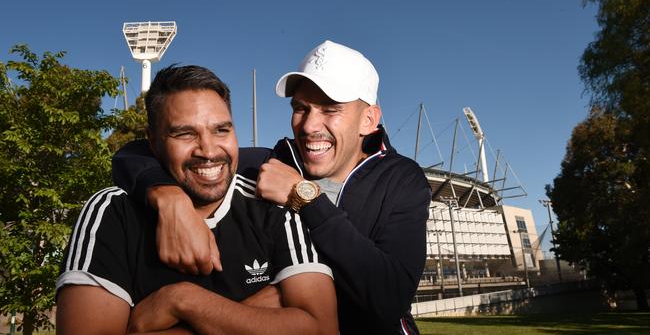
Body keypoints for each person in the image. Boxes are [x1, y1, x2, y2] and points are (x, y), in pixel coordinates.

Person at [113, 40, 432, 334]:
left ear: (368, 119)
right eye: (300, 108)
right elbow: (133, 154)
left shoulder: (402, 180)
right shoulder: (269, 162)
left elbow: (388, 299)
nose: (308, 126)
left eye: (330, 109)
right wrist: (169, 199)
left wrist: (306, 199)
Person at [56, 65, 337, 335]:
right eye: (185, 133)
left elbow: (322, 328)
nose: (208, 150)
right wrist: (251, 318)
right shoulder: (111, 211)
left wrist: (185, 301)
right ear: (153, 143)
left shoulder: (274, 205)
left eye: (221, 130)